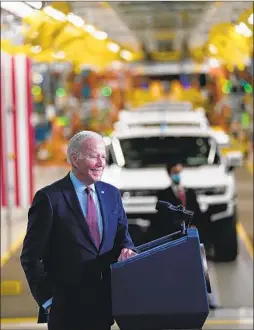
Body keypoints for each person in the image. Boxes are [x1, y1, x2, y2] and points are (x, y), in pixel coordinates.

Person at [20, 131, 137, 330]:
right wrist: (48, 301)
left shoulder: (111, 194)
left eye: (103, 156)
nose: (101, 162)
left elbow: (123, 240)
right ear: (74, 159)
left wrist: (127, 250)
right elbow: (31, 257)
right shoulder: (49, 198)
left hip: (104, 307)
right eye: (94, 156)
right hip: (65, 311)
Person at [147, 161, 218, 309]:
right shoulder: (163, 195)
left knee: (202, 268)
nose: (177, 175)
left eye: (179, 171)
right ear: (169, 173)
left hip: (192, 237)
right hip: (174, 238)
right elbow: (161, 218)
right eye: (175, 171)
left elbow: (197, 213)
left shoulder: (189, 192)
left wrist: (196, 225)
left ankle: (208, 299)